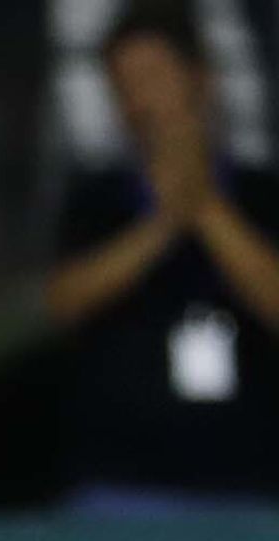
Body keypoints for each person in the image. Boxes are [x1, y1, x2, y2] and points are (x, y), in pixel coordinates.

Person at [45, 4, 279, 505]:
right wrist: (162, 224)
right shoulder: (98, 200)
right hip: (122, 486)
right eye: (122, 85)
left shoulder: (262, 195)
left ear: (201, 79)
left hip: (251, 485)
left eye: (152, 76)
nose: (138, 100)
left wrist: (207, 209)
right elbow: (63, 303)